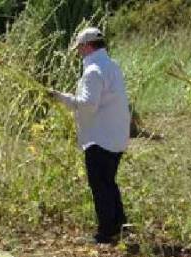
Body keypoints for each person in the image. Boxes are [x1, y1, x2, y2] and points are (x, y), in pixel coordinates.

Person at [50, 27, 131, 245]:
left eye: (79, 48)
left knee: (100, 185)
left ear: (87, 46)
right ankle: (121, 224)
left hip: (100, 138)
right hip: (116, 135)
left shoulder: (93, 70)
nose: (78, 53)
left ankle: (106, 232)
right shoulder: (112, 66)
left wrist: (61, 97)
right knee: (108, 182)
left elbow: (87, 105)